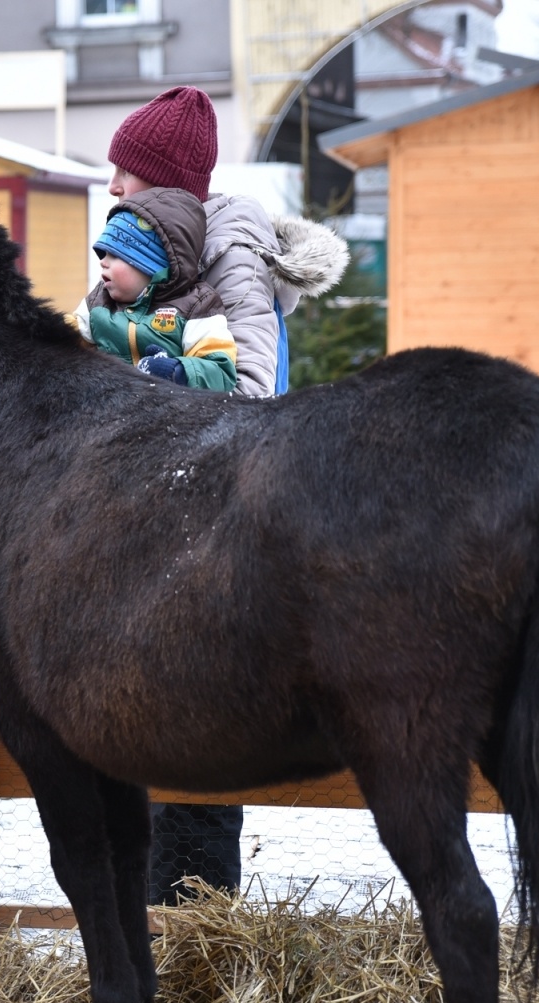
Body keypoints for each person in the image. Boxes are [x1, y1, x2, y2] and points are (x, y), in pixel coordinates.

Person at [97, 85, 348, 904]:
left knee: (193, 729)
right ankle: (151, 930)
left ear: (164, 183)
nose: (111, 188)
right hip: (156, 523)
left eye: (124, 175)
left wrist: (155, 380)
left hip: (215, 534)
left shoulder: (231, 255)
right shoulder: (152, 249)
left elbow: (252, 396)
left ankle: (198, 928)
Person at [71, 189, 238, 392]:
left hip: (168, 412)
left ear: (151, 265)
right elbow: (63, 336)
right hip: (109, 409)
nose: (103, 263)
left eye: (115, 255)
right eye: (104, 254)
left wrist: (177, 372)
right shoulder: (99, 302)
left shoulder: (196, 306)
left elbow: (221, 371)